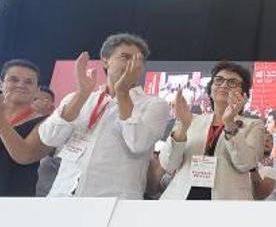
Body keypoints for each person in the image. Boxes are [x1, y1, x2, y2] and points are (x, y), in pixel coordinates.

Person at [38, 34, 169, 199]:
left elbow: (138, 143)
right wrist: (81, 95)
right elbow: (49, 138)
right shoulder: (80, 97)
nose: (133, 64)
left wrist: (122, 93)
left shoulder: (154, 105)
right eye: (125, 57)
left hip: (114, 202)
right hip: (62, 196)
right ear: (105, 61)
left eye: (139, 60)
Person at [159, 61, 263, 200]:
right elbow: (168, 164)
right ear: (210, 88)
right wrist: (183, 125)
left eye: (232, 82)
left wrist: (229, 123)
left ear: (243, 94)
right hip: (182, 200)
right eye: (219, 80)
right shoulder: (191, 120)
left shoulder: (253, 125)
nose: (224, 85)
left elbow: (245, 164)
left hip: (227, 204)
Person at [0, 59, 53, 196]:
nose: (21, 85)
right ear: (1, 84)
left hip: (15, 202)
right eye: (13, 79)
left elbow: (25, 155)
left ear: (37, 91)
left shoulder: (45, 122)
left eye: (29, 82)